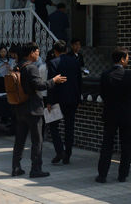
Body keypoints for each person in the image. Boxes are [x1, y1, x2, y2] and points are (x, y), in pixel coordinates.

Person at [12, 41, 67, 178]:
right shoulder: (31, 68)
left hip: (20, 108)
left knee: (19, 140)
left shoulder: (18, 66)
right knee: (37, 140)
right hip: (33, 109)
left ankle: (16, 167)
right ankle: (36, 169)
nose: (38, 54)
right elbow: (39, 85)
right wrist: (54, 81)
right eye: (37, 51)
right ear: (31, 53)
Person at [96, 46, 131, 183]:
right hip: (126, 114)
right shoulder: (130, 76)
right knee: (126, 145)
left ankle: (102, 174)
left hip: (110, 113)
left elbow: (102, 93)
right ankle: (123, 175)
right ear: (122, 59)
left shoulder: (105, 74)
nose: (128, 61)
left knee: (107, 144)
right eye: (127, 58)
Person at [47, 40, 82, 164]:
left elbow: (51, 84)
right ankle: (67, 154)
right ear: (66, 50)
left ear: (55, 51)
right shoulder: (75, 61)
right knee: (69, 127)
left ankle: (60, 151)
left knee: (53, 125)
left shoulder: (52, 63)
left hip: (57, 99)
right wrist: (78, 98)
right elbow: (79, 81)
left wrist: (49, 101)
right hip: (72, 99)